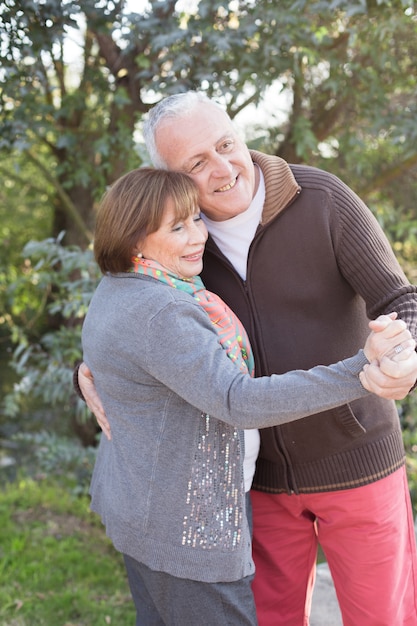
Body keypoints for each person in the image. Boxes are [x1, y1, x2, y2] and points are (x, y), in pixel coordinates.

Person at [77, 92, 417, 626]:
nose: (221, 168)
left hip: (357, 460)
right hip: (258, 483)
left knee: (384, 618)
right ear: (167, 176)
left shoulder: (323, 199)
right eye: (195, 163)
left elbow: (402, 301)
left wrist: (403, 355)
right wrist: (88, 376)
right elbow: (125, 315)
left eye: (226, 144)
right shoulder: (175, 239)